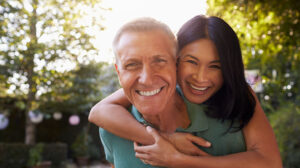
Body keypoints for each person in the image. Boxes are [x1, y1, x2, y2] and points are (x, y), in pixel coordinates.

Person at [90, 15, 282, 168]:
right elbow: (99, 110)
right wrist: (166, 139)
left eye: (215, 66)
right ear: (177, 61)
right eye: (191, 61)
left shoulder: (237, 97)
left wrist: (178, 160)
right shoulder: (115, 126)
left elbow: (270, 162)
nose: (200, 77)